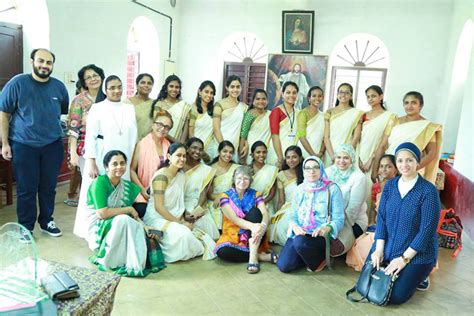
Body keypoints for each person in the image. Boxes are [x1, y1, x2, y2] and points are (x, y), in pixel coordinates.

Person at [0, 48, 69, 241]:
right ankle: (26, 227)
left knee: (48, 187)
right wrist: (5, 143)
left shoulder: (59, 87)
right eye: (41, 61)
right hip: (23, 145)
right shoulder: (17, 83)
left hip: (52, 145)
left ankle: (47, 221)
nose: (44, 66)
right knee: (26, 188)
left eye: (49, 62)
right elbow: (4, 114)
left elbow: (61, 112)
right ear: (32, 61)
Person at [370, 142, 440, 304]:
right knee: (373, 285)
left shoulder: (428, 191)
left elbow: (427, 231)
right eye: (400, 160)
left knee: (394, 296)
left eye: (409, 160)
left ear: (417, 162)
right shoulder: (390, 186)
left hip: (417, 254)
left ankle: (420, 276)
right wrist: (378, 249)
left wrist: (404, 259)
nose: (404, 165)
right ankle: (400, 269)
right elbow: (381, 219)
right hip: (389, 247)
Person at [73, 75, 137, 250]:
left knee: (120, 190)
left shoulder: (129, 108)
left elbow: (133, 136)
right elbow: (90, 137)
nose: (116, 91)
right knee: (95, 192)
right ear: (106, 90)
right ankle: (92, 232)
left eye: (119, 87)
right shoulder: (97, 108)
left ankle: (117, 228)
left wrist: (130, 161)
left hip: (123, 156)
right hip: (101, 155)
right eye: (112, 88)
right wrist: (91, 162)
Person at [88, 150, 165, 276]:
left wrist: (144, 226)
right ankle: (113, 259)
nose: (119, 167)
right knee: (122, 219)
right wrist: (128, 209)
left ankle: (129, 259)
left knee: (126, 220)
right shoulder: (100, 183)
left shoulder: (126, 186)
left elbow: (132, 214)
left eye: (122, 163)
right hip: (99, 224)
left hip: (119, 221)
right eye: (115, 164)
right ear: (107, 167)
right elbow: (102, 213)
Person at [277, 156, 344, 273]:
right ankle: (306, 254)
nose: (311, 171)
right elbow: (292, 214)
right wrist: (295, 226)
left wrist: (327, 228)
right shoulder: (300, 189)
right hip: (301, 232)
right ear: (303, 171)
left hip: (320, 234)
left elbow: (339, 219)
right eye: (307, 168)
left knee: (299, 243)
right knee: (284, 266)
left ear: (321, 169)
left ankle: (319, 260)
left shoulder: (332, 189)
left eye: (315, 167)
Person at [144, 143, 208, 263]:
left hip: (174, 217)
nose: (182, 159)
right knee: (183, 234)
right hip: (157, 218)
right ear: (169, 156)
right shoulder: (161, 177)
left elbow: (179, 202)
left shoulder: (181, 176)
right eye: (178, 155)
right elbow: (159, 207)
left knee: (204, 223)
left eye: (184, 156)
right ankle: (155, 237)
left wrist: (185, 217)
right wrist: (180, 223)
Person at [214, 166, 277, 273]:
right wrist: (253, 227)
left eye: (246, 178)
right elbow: (234, 219)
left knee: (255, 213)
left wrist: (263, 226)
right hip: (233, 235)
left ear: (250, 181)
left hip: (255, 235)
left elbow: (264, 213)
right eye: (239, 178)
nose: (242, 181)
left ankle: (253, 258)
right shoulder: (225, 196)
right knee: (222, 252)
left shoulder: (255, 194)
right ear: (234, 179)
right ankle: (261, 257)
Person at [372, 91, 443, 185]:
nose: (409, 106)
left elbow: (431, 153)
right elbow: (382, 146)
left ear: (420, 106)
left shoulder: (427, 127)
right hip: (390, 169)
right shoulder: (394, 122)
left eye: (413, 102)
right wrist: (375, 169)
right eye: (406, 103)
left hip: (411, 171)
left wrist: (410, 169)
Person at [65, 64, 107, 208]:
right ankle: (88, 215)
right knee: (90, 182)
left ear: (101, 76)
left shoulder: (108, 97)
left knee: (105, 182)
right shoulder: (79, 100)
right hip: (85, 147)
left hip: (106, 146)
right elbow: (73, 127)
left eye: (95, 75)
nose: (93, 79)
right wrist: (73, 152)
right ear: (84, 82)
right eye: (88, 77)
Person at [130, 110, 172, 218]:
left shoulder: (169, 146)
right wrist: (142, 189)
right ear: (153, 125)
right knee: (143, 212)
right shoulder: (142, 144)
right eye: (160, 124)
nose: (162, 129)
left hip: (163, 191)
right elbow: (131, 170)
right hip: (144, 191)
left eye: (167, 127)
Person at [326, 144, 368, 242]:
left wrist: (336, 225)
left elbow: (353, 209)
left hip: (352, 222)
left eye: (346, 158)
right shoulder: (328, 172)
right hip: (329, 219)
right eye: (338, 157)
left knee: (332, 243)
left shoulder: (359, 177)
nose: (341, 161)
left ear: (352, 159)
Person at [183, 137, 219, 240]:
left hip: (196, 204)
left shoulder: (206, 170)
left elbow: (203, 193)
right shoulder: (179, 165)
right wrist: (183, 211)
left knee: (201, 222)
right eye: (194, 148)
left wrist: (196, 211)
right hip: (179, 204)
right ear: (187, 148)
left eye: (200, 149)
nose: (197, 151)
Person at [269, 146, 304, 246]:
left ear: (300, 158)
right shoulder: (281, 175)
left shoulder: (307, 173)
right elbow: (281, 200)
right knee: (284, 225)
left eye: (294, 157)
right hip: (288, 207)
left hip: (304, 207)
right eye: (288, 157)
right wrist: (278, 214)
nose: (291, 160)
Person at [358, 85, 396, 175]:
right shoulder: (363, 115)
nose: (370, 99)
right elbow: (358, 139)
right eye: (368, 97)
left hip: (378, 158)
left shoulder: (390, 116)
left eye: (373, 96)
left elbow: (384, 142)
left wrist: (372, 159)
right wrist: (358, 158)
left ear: (381, 97)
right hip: (360, 156)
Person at [324, 83, 363, 165]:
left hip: (348, 153)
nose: (343, 95)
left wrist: (347, 154)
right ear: (337, 94)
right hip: (331, 151)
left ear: (351, 96)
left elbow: (356, 137)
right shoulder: (330, 112)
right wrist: (332, 156)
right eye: (341, 92)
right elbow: (326, 136)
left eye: (347, 92)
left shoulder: (357, 113)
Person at [210, 75, 248, 161]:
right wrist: (224, 147)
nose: (235, 90)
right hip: (220, 143)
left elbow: (244, 129)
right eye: (232, 87)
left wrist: (246, 144)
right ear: (227, 88)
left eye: (238, 87)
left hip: (235, 145)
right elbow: (216, 128)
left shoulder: (244, 107)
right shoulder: (219, 104)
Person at [207, 141, 240, 230]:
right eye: (225, 151)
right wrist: (220, 198)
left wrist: (223, 196)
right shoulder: (210, 169)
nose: (228, 154)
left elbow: (240, 190)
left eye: (231, 152)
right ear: (219, 152)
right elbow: (209, 194)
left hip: (233, 199)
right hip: (214, 200)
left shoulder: (236, 168)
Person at [267, 81, 300, 167]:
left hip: (292, 155)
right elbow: (275, 136)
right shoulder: (276, 111)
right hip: (277, 153)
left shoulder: (298, 113)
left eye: (294, 93)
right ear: (282, 94)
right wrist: (280, 158)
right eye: (288, 92)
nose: (291, 95)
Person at [150, 75, 190, 143]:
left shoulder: (184, 106)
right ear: (166, 88)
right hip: (161, 141)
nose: (174, 89)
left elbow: (185, 129)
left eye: (177, 87)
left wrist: (180, 144)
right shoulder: (159, 104)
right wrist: (175, 141)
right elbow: (157, 126)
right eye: (171, 86)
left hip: (178, 144)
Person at [238, 89, 271, 164]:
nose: (261, 101)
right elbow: (243, 134)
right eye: (258, 99)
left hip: (266, 149)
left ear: (267, 101)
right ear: (253, 101)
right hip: (251, 149)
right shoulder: (250, 114)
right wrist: (241, 153)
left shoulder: (270, 114)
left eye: (263, 99)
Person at [188, 81, 216, 159]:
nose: (209, 95)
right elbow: (190, 134)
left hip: (210, 148)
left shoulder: (214, 110)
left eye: (211, 93)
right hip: (196, 150)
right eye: (206, 92)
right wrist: (198, 150)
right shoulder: (193, 108)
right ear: (200, 92)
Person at [248, 141, 278, 215]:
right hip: (248, 205)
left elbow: (272, 193)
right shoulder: (246, 169)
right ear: (252, 154)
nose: (261, 155)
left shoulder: (272, 170)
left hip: (266, 204)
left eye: (264, 152)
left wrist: (260, 203)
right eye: (258, 152)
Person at [124, 73, 155, 141]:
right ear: (137, 85)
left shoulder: (155, 104)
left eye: (149, 83)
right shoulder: (127, 103)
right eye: (143, 82)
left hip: (149, 143)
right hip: (129, 141)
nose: (146, 85)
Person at [297, 86, 326, 158]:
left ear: (322, 98)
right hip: (304, 152)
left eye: (320, 96)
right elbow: (301, 136)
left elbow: (325, 137)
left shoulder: (323, 115)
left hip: (319, 153)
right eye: (314, 96)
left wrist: (321, 153)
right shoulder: (303, 113)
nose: (317, 98)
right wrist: (313, 154)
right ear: (309, 98)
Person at [371, 154, 398, 222]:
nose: (384, 169)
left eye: (388, 166)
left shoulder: (400, 187)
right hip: (380, 222)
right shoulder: (376, 186)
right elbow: (373, 208)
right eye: (381, 166)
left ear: (396, 169)